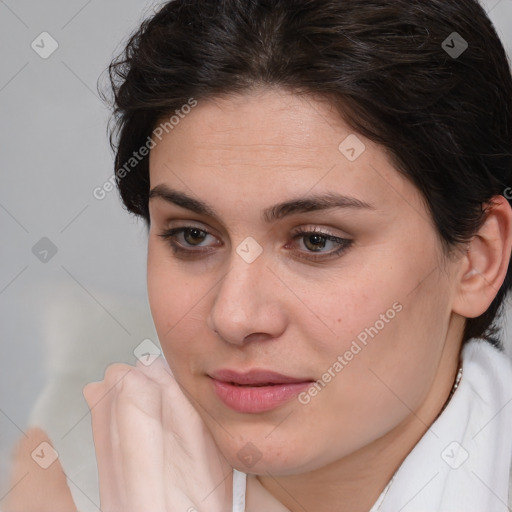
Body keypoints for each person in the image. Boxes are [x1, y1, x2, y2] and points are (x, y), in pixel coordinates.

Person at [5, 0, 512, 510]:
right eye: (192, 236)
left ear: (477, 260)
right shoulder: (47, 480)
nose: (234, 316)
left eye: (317, 240)